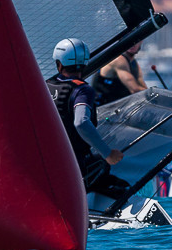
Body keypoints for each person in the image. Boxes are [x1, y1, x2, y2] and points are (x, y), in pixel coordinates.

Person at [45, 38, 125, 183]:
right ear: (85, 63)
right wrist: (108, 154)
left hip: (45, 159)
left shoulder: (45, 85)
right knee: (104, 166)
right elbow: (81, 122)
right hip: (72, 164)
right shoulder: (82, 90)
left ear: (59, 64)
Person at [93, 42, 146, 106]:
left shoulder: (134, 63)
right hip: (103, 110)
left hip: (119, 109)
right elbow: (135, 90)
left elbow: (144, 88)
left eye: (137, 41)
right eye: (132, 40)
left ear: (141, 42)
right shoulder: (118, 60)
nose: (133, 44)